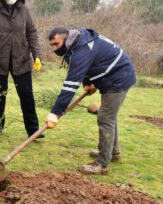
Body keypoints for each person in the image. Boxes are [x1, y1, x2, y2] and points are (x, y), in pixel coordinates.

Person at [45, 27, 136, 175]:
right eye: (52, 46)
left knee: (105, 118)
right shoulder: (79, 40)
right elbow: (89, 65)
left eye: (56, 44)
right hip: (114, 76)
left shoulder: (82, 50)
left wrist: (55, 112)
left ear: (66, 38)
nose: (54, 49)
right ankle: (113, 152)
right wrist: (87, 82)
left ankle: (102, 164)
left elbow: (70, 85)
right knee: (109, 116)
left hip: (119, 78)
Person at [0, 0, 43, 138]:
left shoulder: (24, 10)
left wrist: (37, 55)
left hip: (21, 59)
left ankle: (33, 130)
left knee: (27, 95)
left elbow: (32, 33)